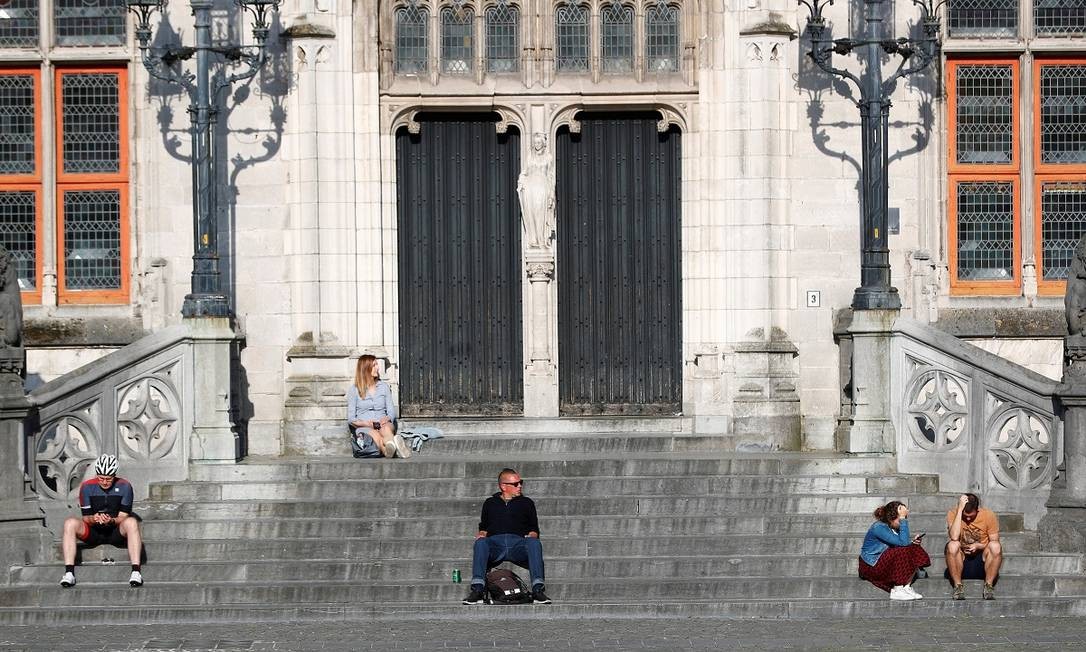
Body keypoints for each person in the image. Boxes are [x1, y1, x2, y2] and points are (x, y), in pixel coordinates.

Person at [461, 468, 551, 605]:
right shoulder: (490, 503)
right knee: (480, 543)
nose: (520, 486)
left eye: (520, 482)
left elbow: (534, 528)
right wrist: (482, 535)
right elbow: (483, 527)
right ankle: (477, 590)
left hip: (518, 544)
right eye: (515, 484)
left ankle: (538, 590)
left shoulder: (527, 502)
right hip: (495, 544)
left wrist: (532, 536)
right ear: (503, 486)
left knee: (534, 543)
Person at [60, 454, 144, 587]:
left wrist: (110, 520)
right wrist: (94, 518)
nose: (104, 482)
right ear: (97, 475)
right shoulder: (87, 487)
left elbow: (123, 517)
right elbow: (86, 518)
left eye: (108, 479)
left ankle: (136, 572)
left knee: (132, 522)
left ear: (114, 476)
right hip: (93, 532)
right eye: (101, 478)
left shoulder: (125, 486)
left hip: (115, 531)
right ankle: (69, 573)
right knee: (70, 523)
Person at [858, 500, 930, 600]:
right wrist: (903, 520)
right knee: (903, 549)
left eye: (905, 518)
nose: (903, 521)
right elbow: (903, 544)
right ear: (891, 518)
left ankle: (906, 587)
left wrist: (913, 542)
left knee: (913, 547)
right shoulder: (878, 527)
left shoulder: (893, 527)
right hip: (870, 566)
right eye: (900, 519)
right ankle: (898, 589)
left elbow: (903, 543)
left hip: (884, 561)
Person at [347, 354, 409, 458]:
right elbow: (351, 419)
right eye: (374, 365)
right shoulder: (354, 390)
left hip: (383, 423)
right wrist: (366, 423)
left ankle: (392, 448)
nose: (378, 367)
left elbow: (391, 412)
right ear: (366, 368)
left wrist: (387, 418)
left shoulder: (384, 387)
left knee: (386, 430)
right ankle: (395, 449)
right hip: (365, 427)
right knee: (378, 439)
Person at [946, 493, 1002, 600]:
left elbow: (995, 541)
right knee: (953, 545)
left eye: (970, 516)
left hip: (983, 561)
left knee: (995, 546)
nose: (967, 519)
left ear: (977, 510)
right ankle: (958, 586)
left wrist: (979, 546)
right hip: (960, 561)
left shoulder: (988, 515)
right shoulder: (953, 513)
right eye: (965, 516)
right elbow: (954, 536)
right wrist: (959, 511)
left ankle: (988, 586)